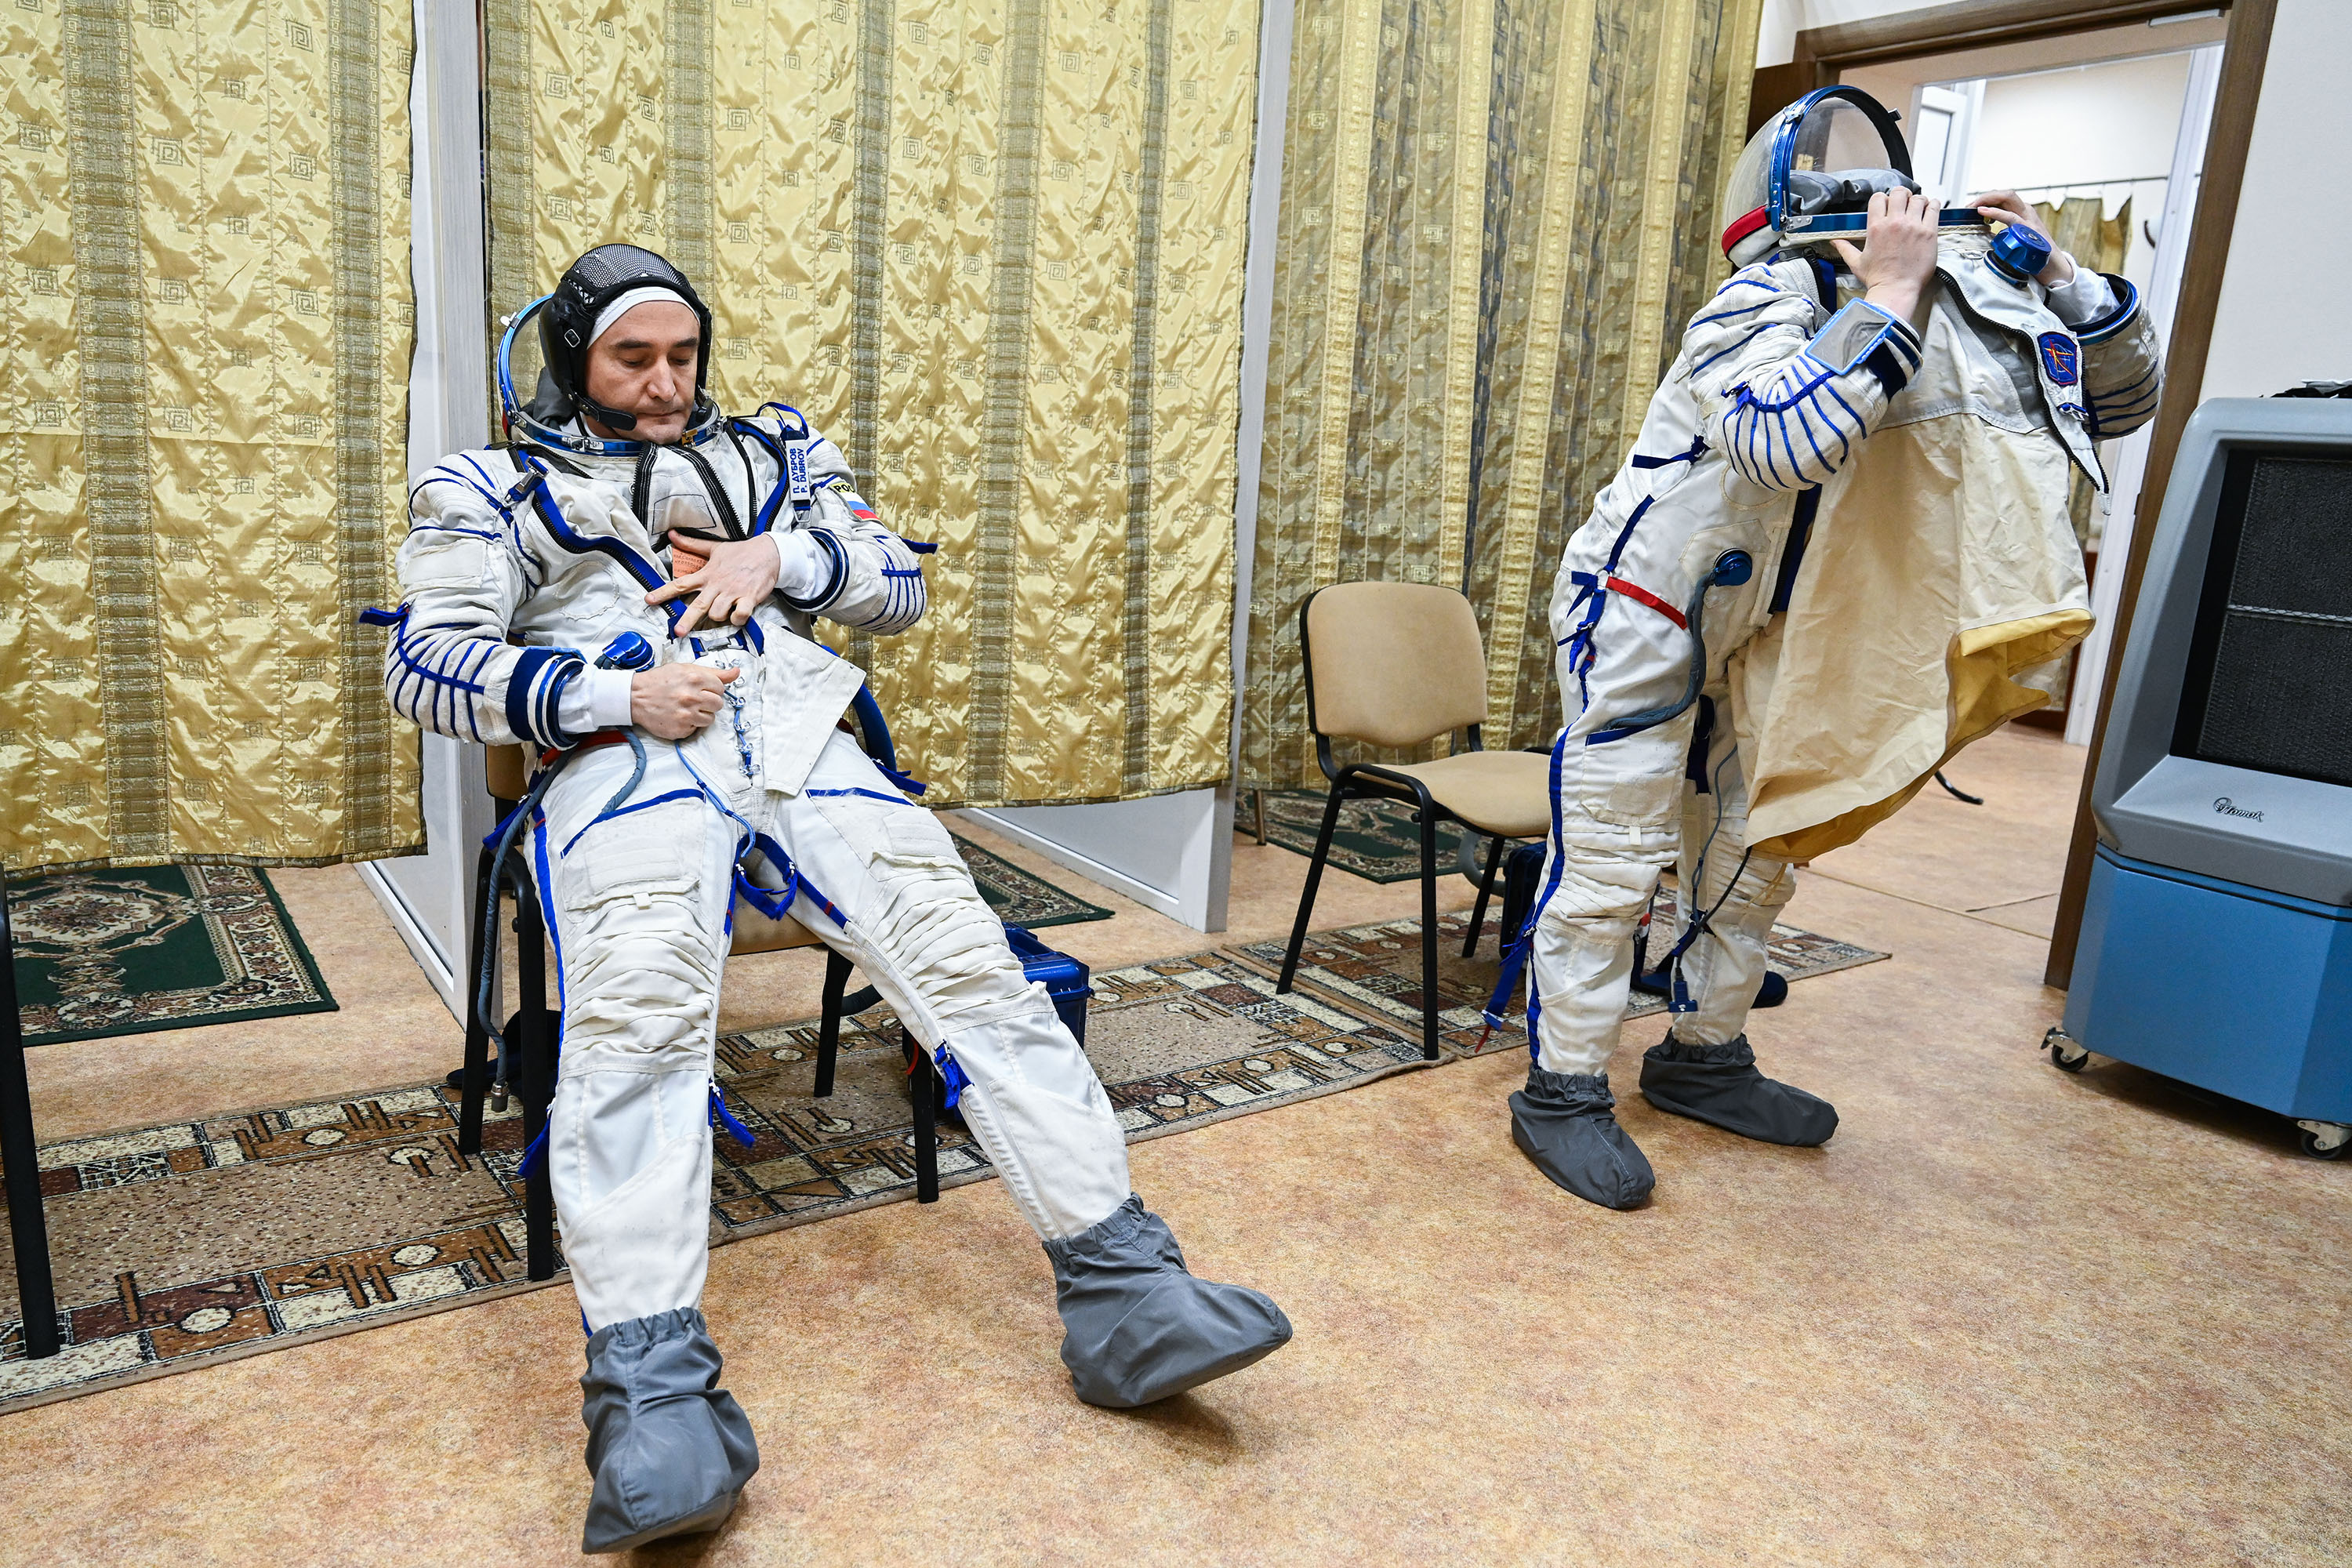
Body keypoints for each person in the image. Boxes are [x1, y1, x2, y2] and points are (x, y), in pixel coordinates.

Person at [378, 244, 1290, 1552]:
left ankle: (1126, 1289)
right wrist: (614, 693)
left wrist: (780, 559)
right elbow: (425, 666)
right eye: (633, 359)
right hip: (625, 759)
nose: (664, 383)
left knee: (976, 970)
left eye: (682, 355)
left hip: (802, 743)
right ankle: (652, 1396)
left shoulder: (779, 453)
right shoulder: (487, 485)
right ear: (574, 359)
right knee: (637, 1028)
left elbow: (896, 584)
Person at [1503, 88, 2162, 1209]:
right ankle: (1561, 1091)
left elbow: (2117, 401)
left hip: (1781, 615)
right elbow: (1776, 442)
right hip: (1647, 603)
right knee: (1615, 851)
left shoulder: (1923, 309)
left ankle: (1702, 1057)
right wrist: (1890, 294)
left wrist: (2054, 276)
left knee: (1759, 840)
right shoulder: (1759, 299)